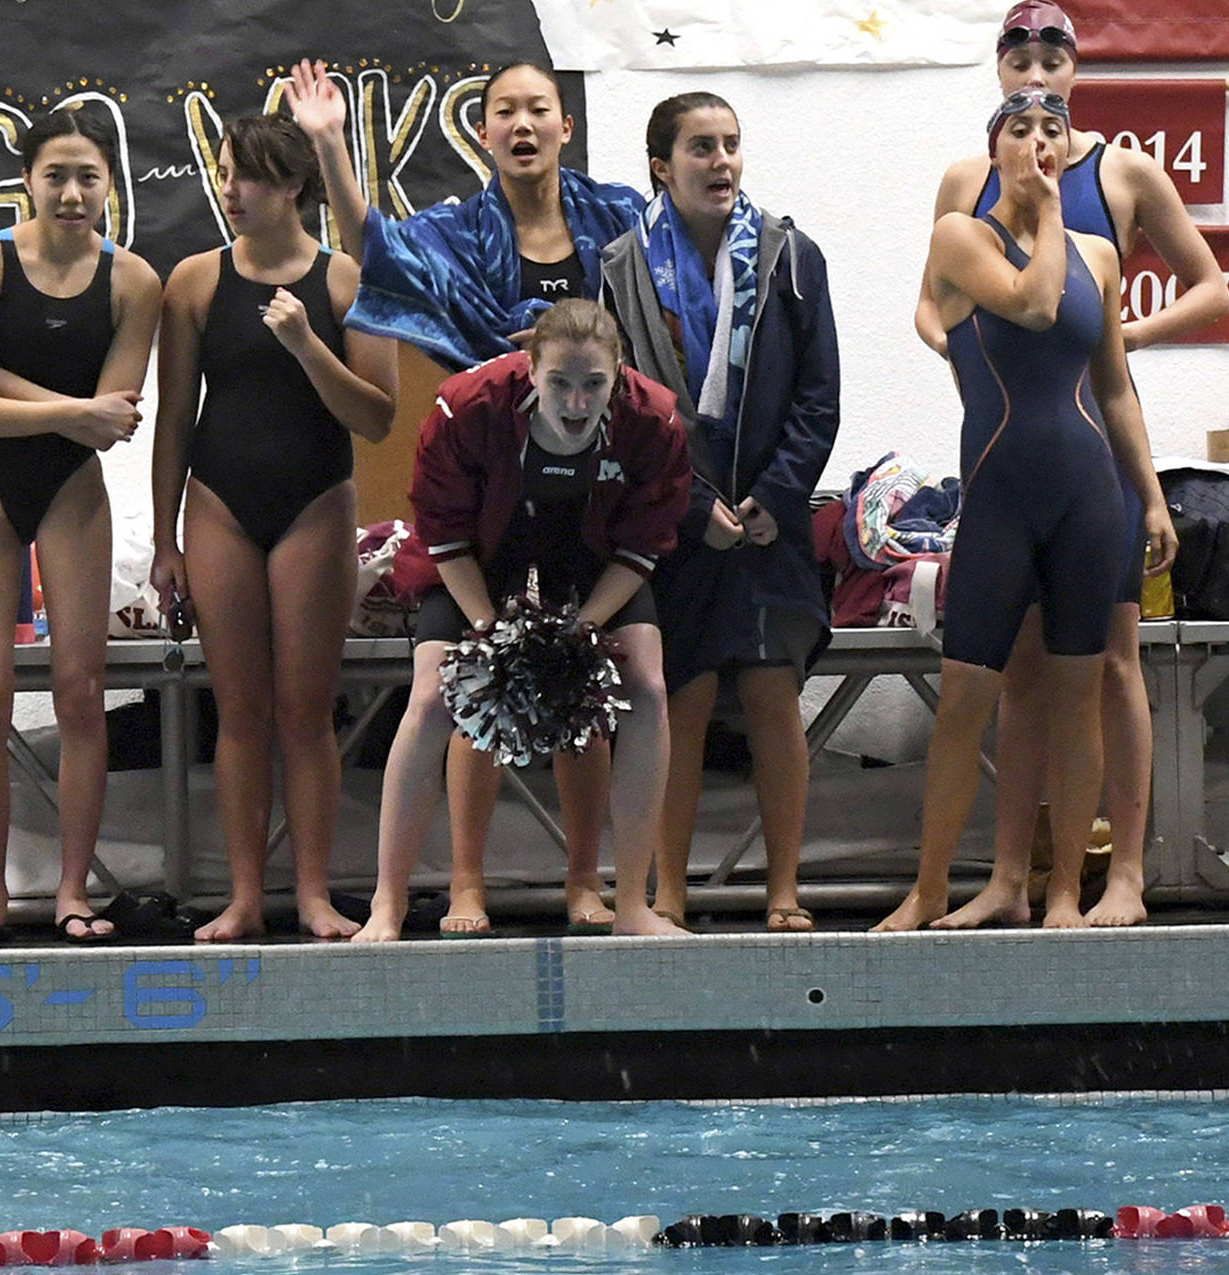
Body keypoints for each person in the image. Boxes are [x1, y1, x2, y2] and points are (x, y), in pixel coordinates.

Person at [289, 57, 646, 935]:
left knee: (585, 688)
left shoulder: (623, 223)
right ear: (482, 134)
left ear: (566, 126)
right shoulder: (455, 233)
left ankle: (583, 881)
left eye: (540, 110)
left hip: (589, 486)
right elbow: (376, 246)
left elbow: (668, 318)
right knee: (465, 686)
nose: (523, 125)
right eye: (504, 113)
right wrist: (332, 144)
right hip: (485, 489)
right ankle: (466, 884)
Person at [902, 1, 1220, 931]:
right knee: (1004, 683)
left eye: (1053, 107)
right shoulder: (964, 198)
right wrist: (959, 342)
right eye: (1021, 77)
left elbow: (1121, 366)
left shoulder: (1115, 193)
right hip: (1006, 466)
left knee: (1107, 672)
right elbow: (960, 306)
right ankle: (986, 880)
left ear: (1077, 79)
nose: (1038, 131)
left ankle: (1099, 880)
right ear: (997, 83)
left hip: (1092, 479)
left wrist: (1153, 491)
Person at [352, 299, 689, 941]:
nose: (575, 402)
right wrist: (491, 633)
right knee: (431, 698)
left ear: (619, 376)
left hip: (595, 560)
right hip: (479, 556)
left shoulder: (655, 421)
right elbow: (444, 533)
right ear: (529, 367)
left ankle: (632, 905)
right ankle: (387, 905)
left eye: (594, 385)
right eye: (559, 381)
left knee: (646, 688)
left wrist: (580, 631)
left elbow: (643, 545)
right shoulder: (468, 407)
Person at [150, 114, 397, 943]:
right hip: (218, 502)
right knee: (239, 711)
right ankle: (247, 896)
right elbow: (174, 419)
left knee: (305, 712)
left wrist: (304, 346)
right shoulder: (191, 282)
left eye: (245, 177)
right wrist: (162, 540)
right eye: (224, 174)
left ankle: (317, 893)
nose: (229, 191)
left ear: (291, 185)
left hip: (315, 504)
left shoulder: (346, 283)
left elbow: (376, 418)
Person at [601, 93, 842, 933]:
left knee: (775, 696)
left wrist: (776, 497)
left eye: (732, 145)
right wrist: (696, 505)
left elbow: (819, 397)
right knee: (682, 701)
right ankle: (670, 891)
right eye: (701, 147)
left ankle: (783, 892)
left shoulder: (790, 257)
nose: (723, 162)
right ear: (662, 167)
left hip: (769, 514)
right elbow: (627, 405)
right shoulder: (621, 267)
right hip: (677, 519)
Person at [0, 105, 162, 944]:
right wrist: (71, 407)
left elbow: (114, 422)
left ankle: (73, 891)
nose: (71, 192)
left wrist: (12, 384)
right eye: (55, 175)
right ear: (26, 180)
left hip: (72, 486)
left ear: (110, 186)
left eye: (88, 177)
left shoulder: (134, 281)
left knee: (82, 694)